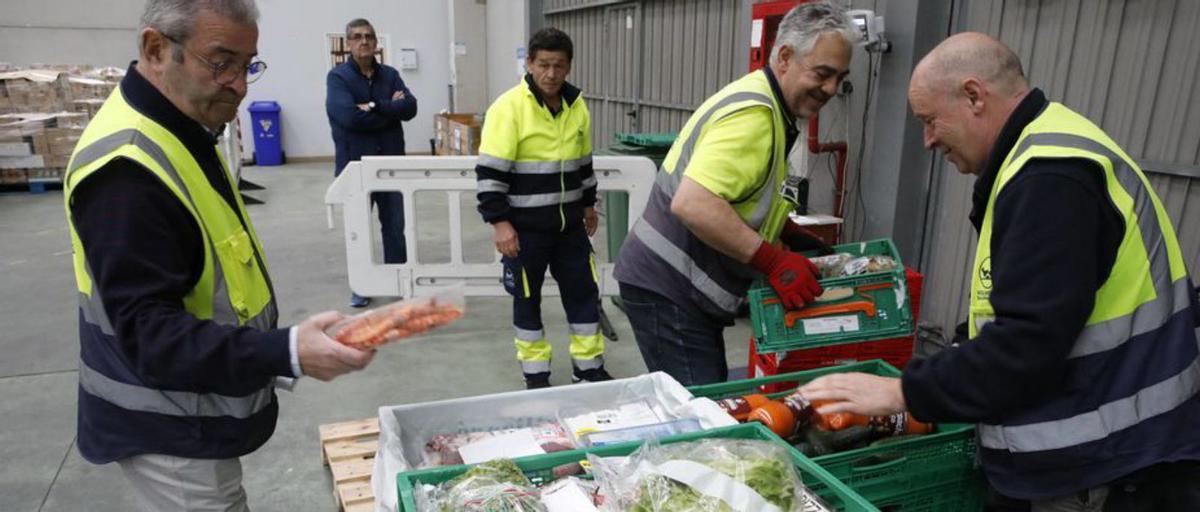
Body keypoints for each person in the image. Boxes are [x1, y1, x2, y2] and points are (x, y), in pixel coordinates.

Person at [800, 32, 1200, 510]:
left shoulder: (1049, 177)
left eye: (930, 121)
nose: (928, 141)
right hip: (1102, 446)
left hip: (1100, 463)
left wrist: (902, 391)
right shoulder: (1041, 153)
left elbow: (1028, 342)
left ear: (974, 96)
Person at [63, 1, 375, 509]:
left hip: (192, 402)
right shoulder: (128, 172)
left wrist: (281, 343)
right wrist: (287, 351)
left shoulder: (180, 125)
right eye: (220, 62)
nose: (239, 83)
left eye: (247, 63)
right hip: (166, 426)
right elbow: (151, 334)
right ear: (155, 49)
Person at [613, 2, 857, 386]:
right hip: (670, 287)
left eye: (839, 78)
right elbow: (693, 203)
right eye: (822, 73)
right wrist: (774, 261)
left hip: (676, 288)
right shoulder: (755, 117)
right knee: (702, 418)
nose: (830, 89)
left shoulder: (769, 106)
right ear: (785, 57)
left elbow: (739, 193)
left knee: (705, 397)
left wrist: (787, 233)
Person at [474, 27, 611, 389]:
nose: (551, 74)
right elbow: (489, 174)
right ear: (530, 64)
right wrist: (500, 224)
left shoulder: (576, 105)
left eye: (559, 66)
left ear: (568, 67)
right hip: (524, 231)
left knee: (584, 296)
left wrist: (587, 204)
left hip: (569, 229)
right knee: (527, 301)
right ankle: (536, 377)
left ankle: (589, 370)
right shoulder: (508, 108)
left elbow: (583, 161)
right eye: (544, 65)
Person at [326, 17, 418, 308]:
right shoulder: (338, 78)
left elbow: (411, 108)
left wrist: (376, 106)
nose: (364, 41)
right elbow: (348, 117)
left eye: (369, 36)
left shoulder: (390, 75)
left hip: (391, 166)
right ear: (348, 43)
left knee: (394, 227)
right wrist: (391, 110)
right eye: (357, 36)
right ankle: (361, 286)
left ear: (376, 43)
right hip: (356, 170)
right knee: (358, 231)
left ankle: (397, 280)